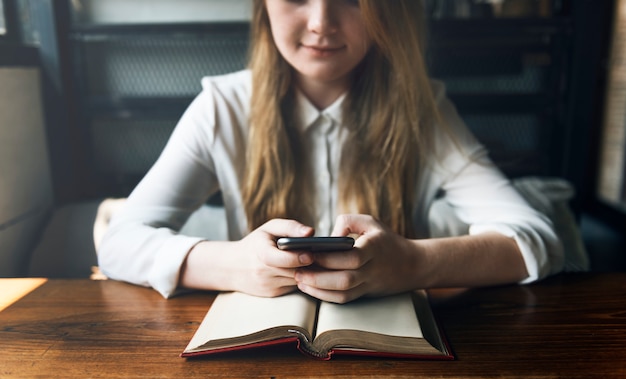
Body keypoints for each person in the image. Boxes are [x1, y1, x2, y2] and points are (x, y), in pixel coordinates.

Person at [98, 0, 564, 302]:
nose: (321, 23)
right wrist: (235, 264)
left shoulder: (423, 110)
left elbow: (536, 239)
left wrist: (413, 263)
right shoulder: (222, 108)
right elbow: (120, 242)